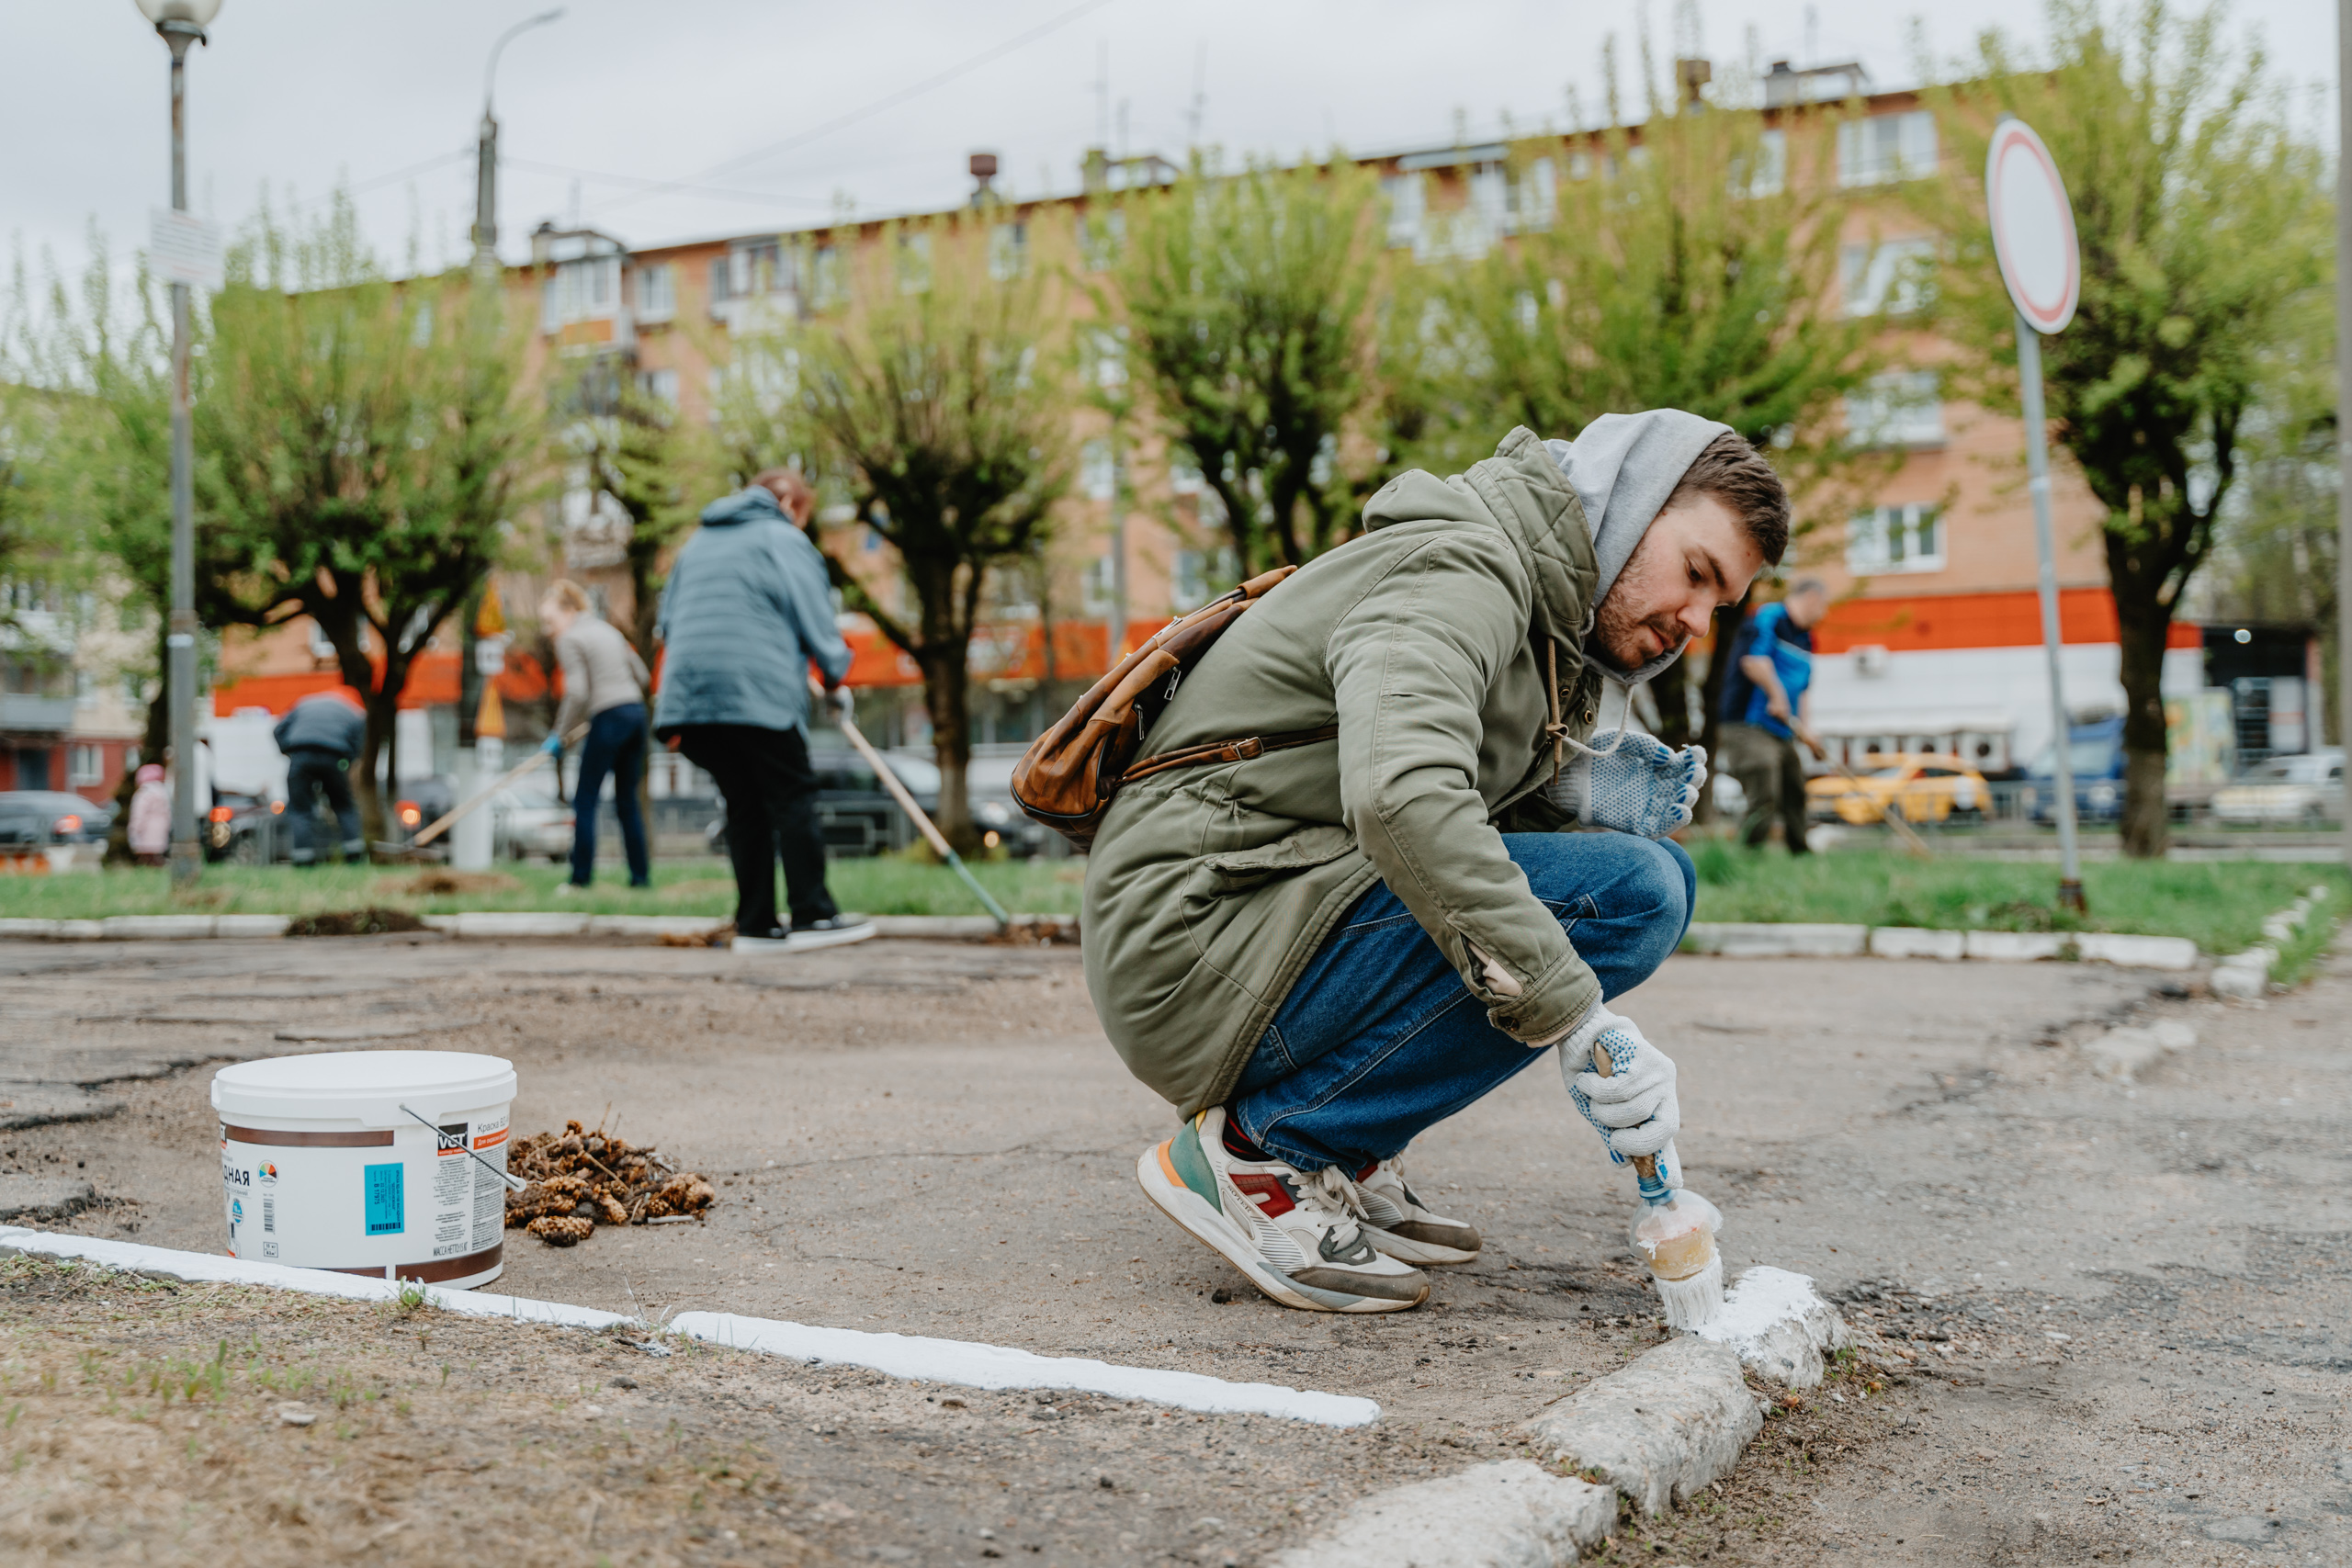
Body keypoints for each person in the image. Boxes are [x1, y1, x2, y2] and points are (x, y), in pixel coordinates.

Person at [1089, 417, 1789, 1313]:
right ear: (1629, 509)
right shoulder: (1459, 569)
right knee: (1632, 894)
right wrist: (1577, 1017)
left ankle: (1343, 1148)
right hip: (1195, 942)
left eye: (1718, 605)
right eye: (1695, 573)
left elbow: (1443, 809)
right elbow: (1401, 797)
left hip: (1260, 918)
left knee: (1649, 876)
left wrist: (1569, 800)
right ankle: (1265, 1153)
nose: (1696, 621)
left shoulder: (1540, 625)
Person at [654, 468, 875, 953]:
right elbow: (815, 615)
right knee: (792, 795)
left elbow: (666, 623)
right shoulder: (781, 537)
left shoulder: (695, 545)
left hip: (690, 699)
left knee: (744, 803)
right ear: (791, 506)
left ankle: (755, 924)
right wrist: (836, 679)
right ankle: (812, 914)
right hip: (756, 691)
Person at [540, 580, 653, 892]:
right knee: (627, 801)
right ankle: (640, 879)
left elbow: (577, 692)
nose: (548, 629)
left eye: (550, 621)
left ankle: (580, 879)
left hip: (608, 716)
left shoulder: (570, 638)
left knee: (585, 799)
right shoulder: (608, 631)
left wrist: (558, 735)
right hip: (635, 714)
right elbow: (642, 676)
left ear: (569, 610)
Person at [1717, 579, 1828, 853]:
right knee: (1765, 783)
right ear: (1812, 597)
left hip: (1781, 728)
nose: (1823, 614)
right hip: (1747, 722)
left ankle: (1800, 852)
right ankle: (1748, 854)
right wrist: (1776, 696)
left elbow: (1802, 691)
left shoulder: (1807, 638)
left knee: (1795, 788)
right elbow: (1754, 662)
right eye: (1823, 606)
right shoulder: (1770, 617)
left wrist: (1807, 731)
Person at [273, 689, 365, 866]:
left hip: (301, 755)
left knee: (300, 809)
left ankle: (303, 858)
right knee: (343, 805)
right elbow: (359, 738)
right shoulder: (350, 710)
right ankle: (354, 855)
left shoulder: (303, 704)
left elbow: (278, 729)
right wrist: (348, 761)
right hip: (334, 756)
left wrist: (289, 751)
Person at [127, 762, 171, 866]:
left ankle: (150, 872)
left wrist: (134, 830)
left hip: (146, 830)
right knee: (156, 856)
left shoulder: (143, 794)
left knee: (146, 857)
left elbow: (138, 814)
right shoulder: (164, 793)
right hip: (161, 829)